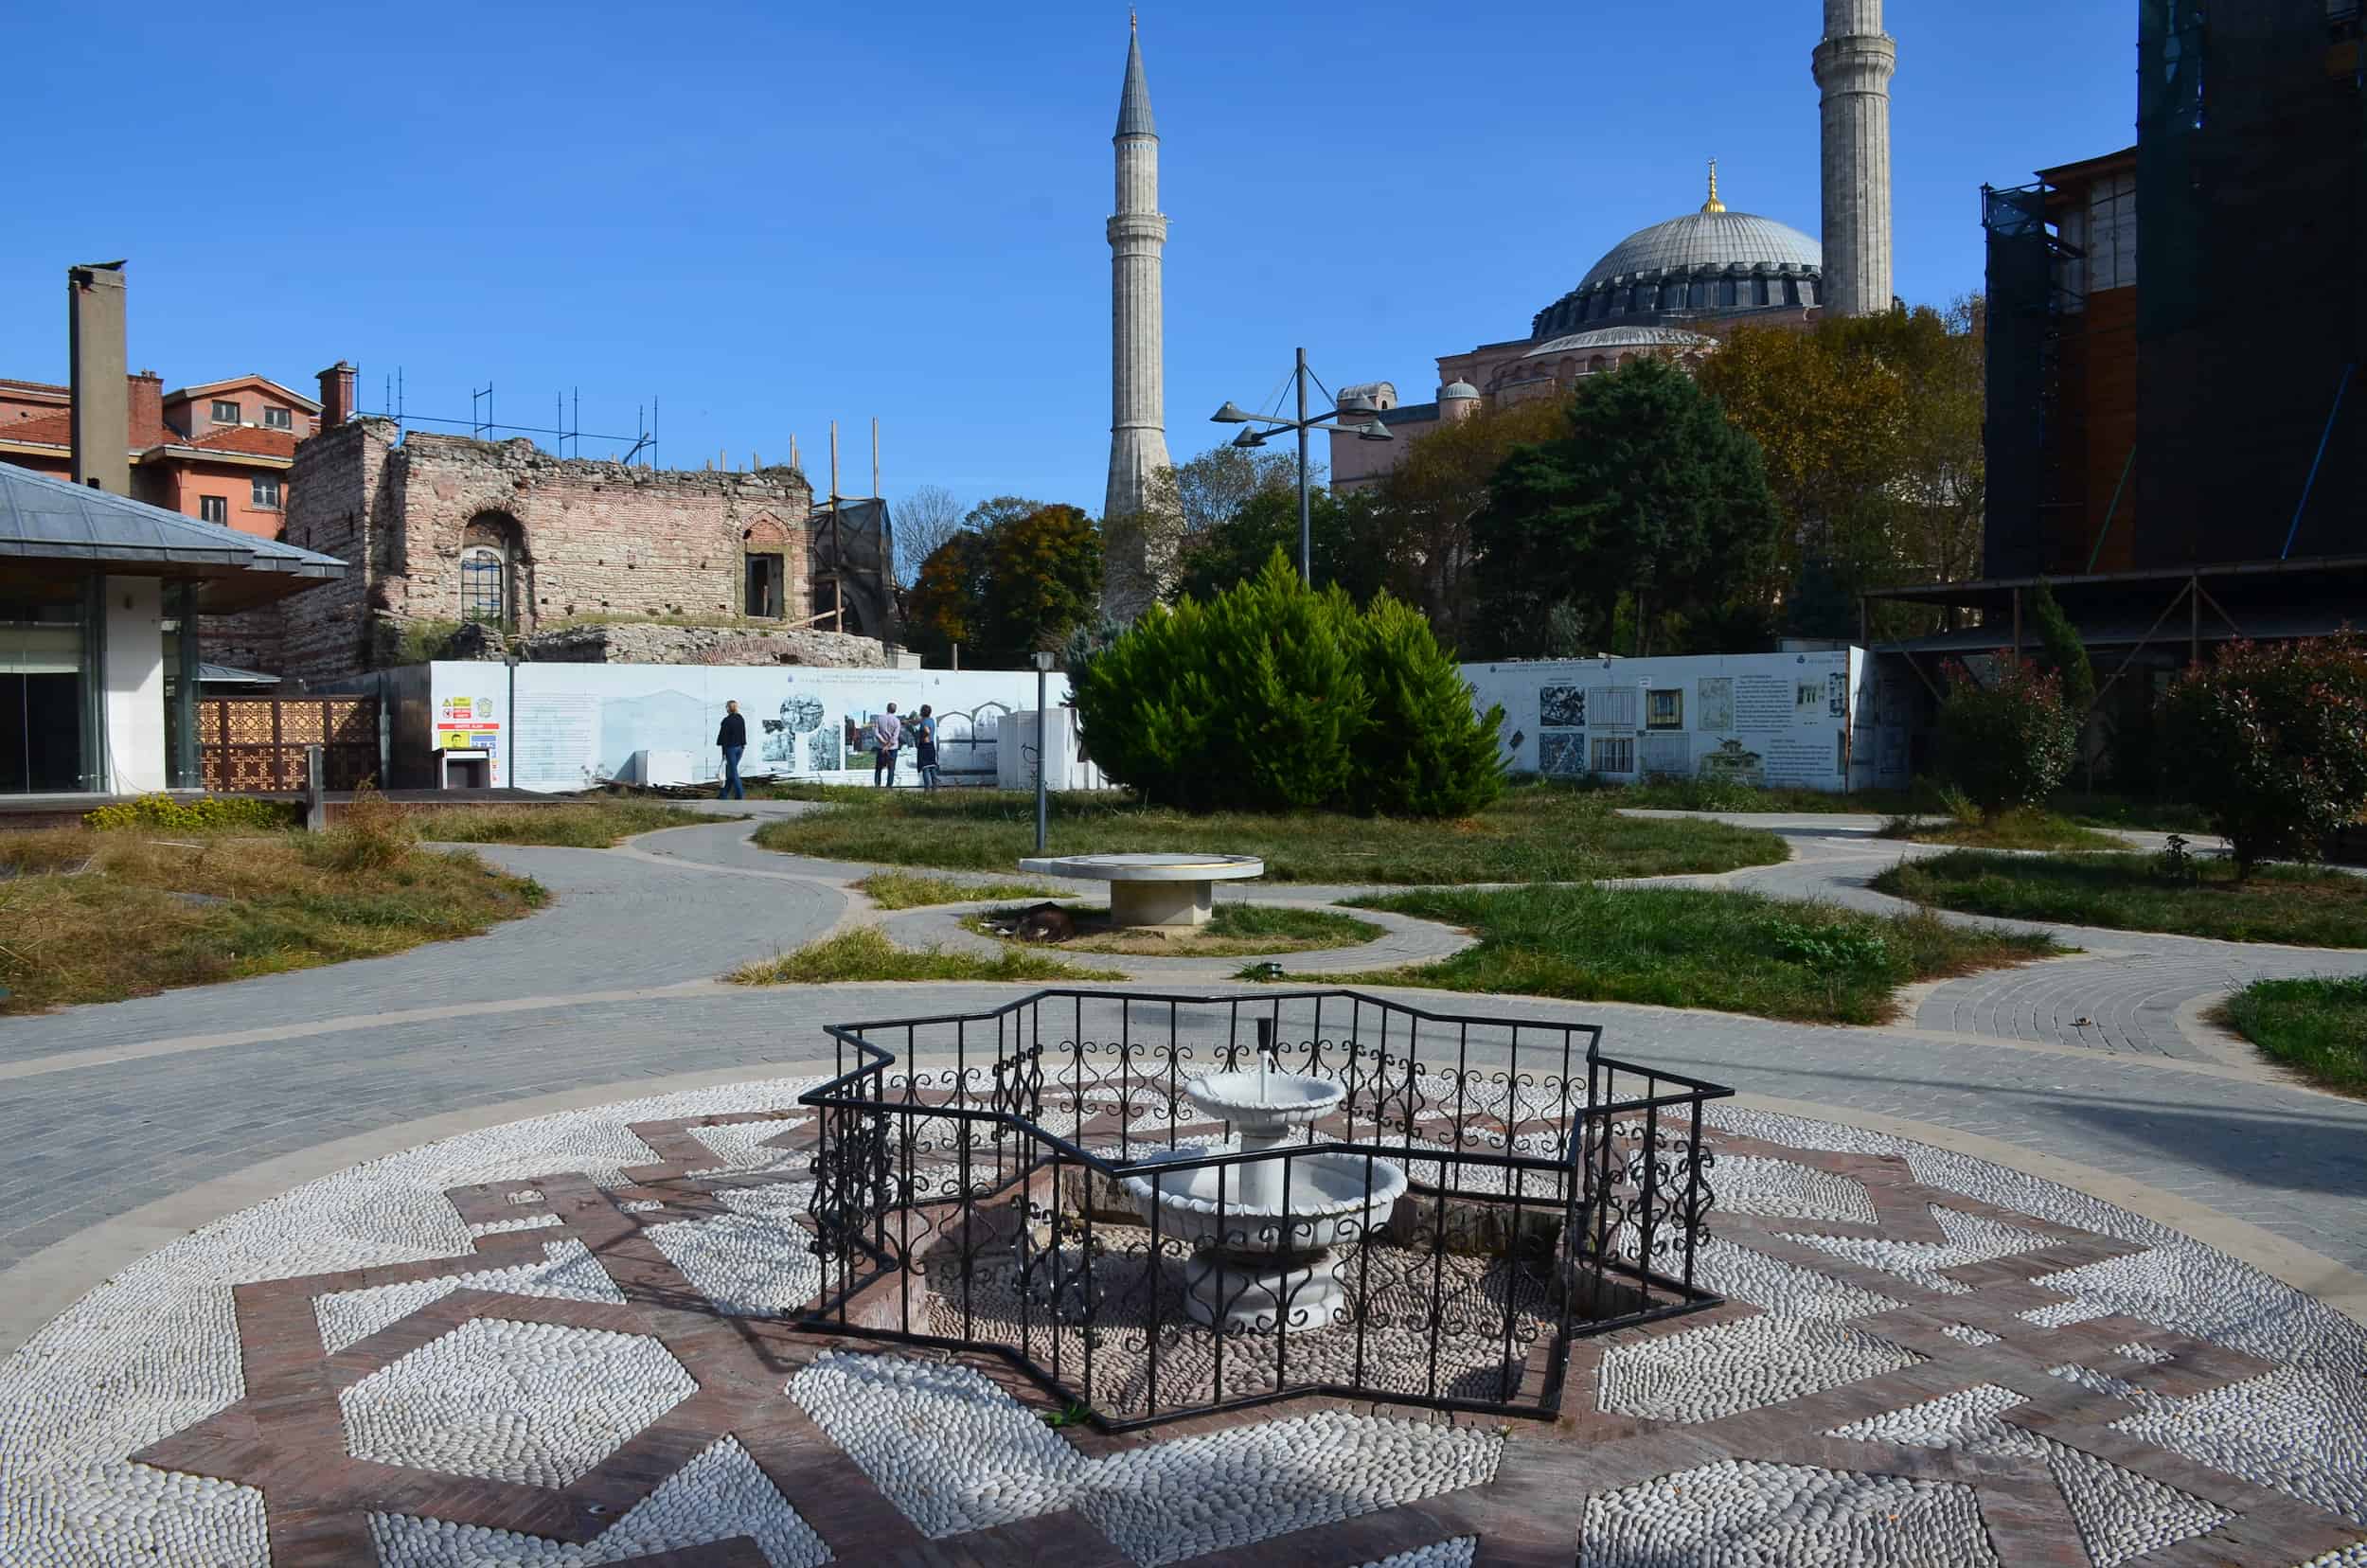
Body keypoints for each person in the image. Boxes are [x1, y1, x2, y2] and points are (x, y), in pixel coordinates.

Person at [715, 701, 747, 800]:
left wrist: (724, 753)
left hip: (731, 748)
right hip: (740, 748)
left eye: (726, 707)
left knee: (733, 772)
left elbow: (723, 738)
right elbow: (743, 733)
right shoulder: (740, 718)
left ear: (728, 708)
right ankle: (723, 794)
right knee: (730, 772)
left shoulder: (726, 721)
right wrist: (743, 745)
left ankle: (740, 794)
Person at [872, 703, 902, 787]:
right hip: (892, 748)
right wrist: (888, 745)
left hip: (881, 747)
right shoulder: (897, 721)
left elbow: (876, 733)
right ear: (895, 710)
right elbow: (895, 737)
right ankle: (889, 787)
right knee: (891, 769)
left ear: (887, 708)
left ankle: (877, 786)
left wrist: (883, 743)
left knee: (878, 768)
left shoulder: (879, 718)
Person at [913, 704, 940, 792]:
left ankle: (927, 789)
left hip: (924, 746)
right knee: (932, 767)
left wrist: (922, 737)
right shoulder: (931, 720)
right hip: (931, 745)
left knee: (925, 768)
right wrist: (909, 721)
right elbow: (918, 721)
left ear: (922, 712)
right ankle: (934, 788)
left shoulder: (924, 722)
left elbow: (927, 731)